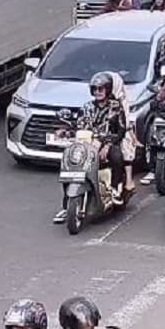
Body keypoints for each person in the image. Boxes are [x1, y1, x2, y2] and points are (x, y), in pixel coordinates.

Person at [55, 73, 126, 224]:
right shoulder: (86, 107)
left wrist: (107, 144)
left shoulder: (115, 107)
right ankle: (66, 203)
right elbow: (78, 127)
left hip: (107, 143)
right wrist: (65, 132)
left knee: (117, 156)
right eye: (95, 89)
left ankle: (114, 189)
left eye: (101, 88)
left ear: (108, 89)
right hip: (86, 145)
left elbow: (120, 131)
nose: (98, 92)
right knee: (68, 164)